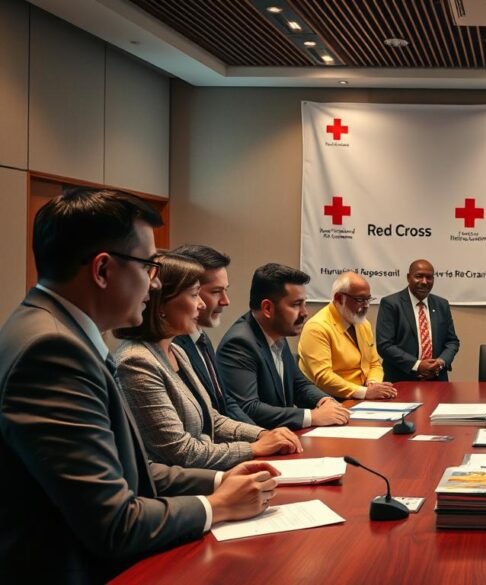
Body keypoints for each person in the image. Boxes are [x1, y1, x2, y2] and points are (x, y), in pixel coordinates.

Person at [0, 188, 278, 583]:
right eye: (149, 266)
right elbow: (114, 523)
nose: (155, 284)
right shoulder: (53, 351)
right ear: (102, 270)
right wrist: (216, 506)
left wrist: (220, 480)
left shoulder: (55, 332)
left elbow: (127, 469)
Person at [113, 253, 302, 470]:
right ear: (161, 303)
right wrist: (253, 449)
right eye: (194, 295)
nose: (201, 305)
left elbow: (211, 417)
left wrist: (262, 434)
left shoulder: (176, 351)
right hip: (179, 490)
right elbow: (180, 452)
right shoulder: (137, 361)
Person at [217, 263, 351, 430]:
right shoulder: (239, 343)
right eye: (296, 304)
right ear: (267, 308)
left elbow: (298, 384)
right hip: (261, 442)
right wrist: (311, 416)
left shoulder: (276, 332)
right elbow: (248, 408)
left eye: (304, 303)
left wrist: (324, 401)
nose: (304, 312)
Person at [170, 244, 254, 424]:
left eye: (226, 290)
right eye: (216, 291)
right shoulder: (172, 345)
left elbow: (223, 401)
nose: (226, 301)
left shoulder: (201, 338)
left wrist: (263, 434)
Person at [297, 272, 397, 400]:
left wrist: (373, 383)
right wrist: (364, 392)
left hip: (362, 396)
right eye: (360, 300)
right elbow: (323, 377)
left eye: (368, 299)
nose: (366, 305)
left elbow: (374, 363)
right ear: (338, 298)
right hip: (329, 399)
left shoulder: (363, 324)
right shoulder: (317, 327)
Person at [376, 259, 460, 382]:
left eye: (429, 277)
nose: (424, 282)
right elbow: (385, 345)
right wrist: (417, 365)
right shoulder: (391, 304)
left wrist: (441, 362)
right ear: (408, 277)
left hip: (437, 379)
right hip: (401, 380)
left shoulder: (442, 304)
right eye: (419, 276)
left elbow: (452, 341)